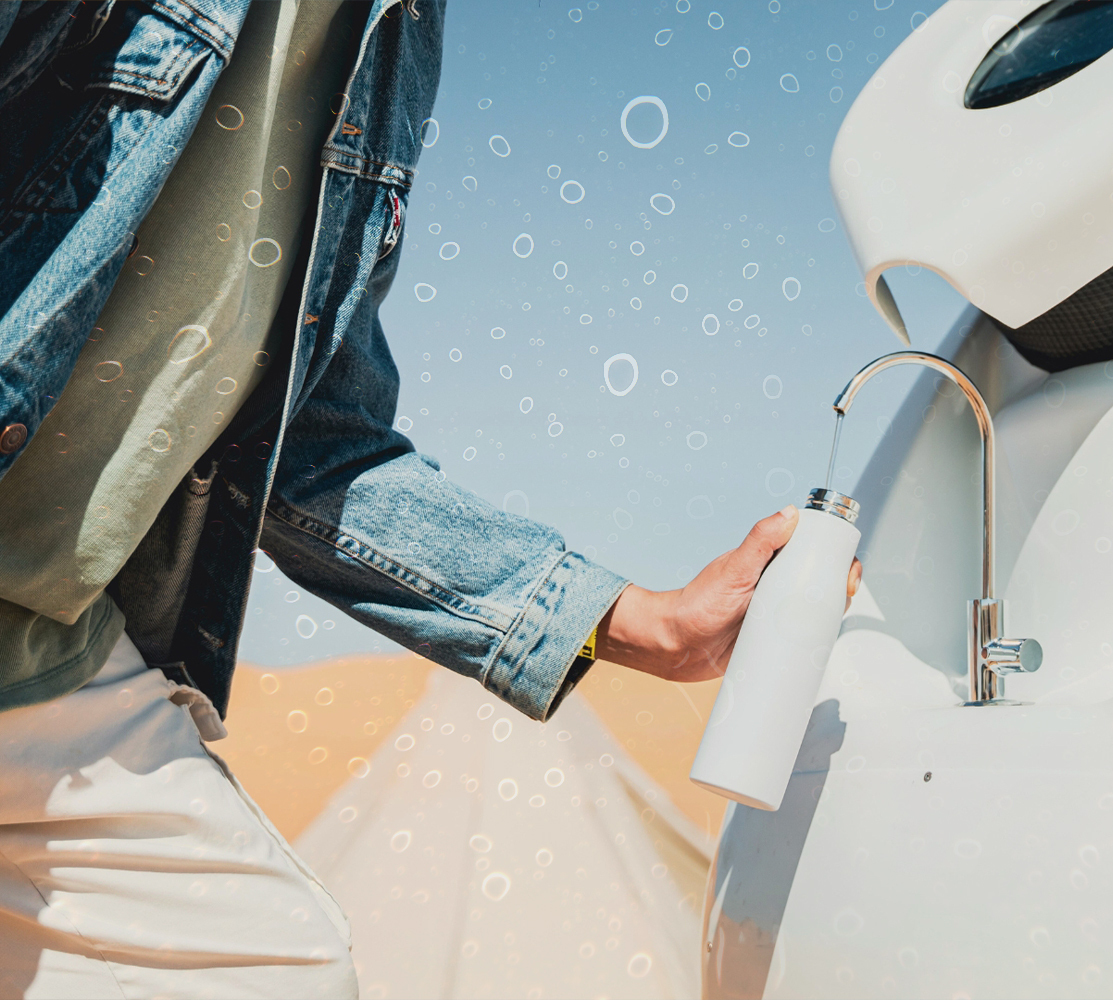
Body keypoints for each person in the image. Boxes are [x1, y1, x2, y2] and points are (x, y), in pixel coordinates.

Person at [0, 2, 858, 996]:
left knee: (275, 964)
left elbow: (312, 446)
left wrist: (643, 625)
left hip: (46, 645)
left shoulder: (390, 42)